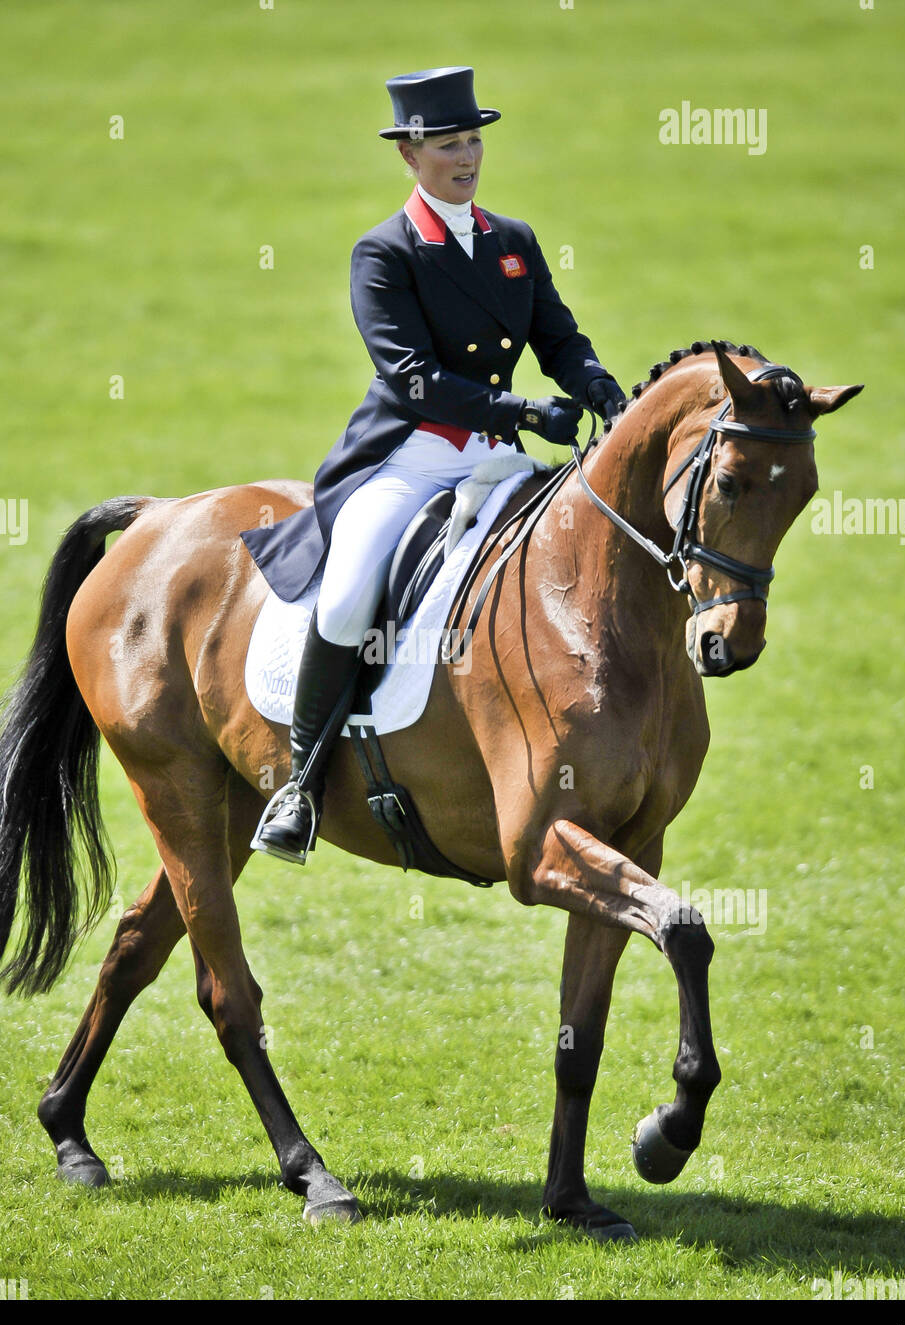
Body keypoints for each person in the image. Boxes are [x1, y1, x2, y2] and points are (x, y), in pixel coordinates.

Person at [243, 66, 625, 863]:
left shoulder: (512, 241)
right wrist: (522, 412)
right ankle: (300, 785)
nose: (467, 157)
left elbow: (557, 336)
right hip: (410, 457)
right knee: (348, 598)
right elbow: (410, 375)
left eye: (475, 140)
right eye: (448, 144)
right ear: (409, 155)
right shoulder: (383, 252)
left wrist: (592, 382)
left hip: (494, 459)